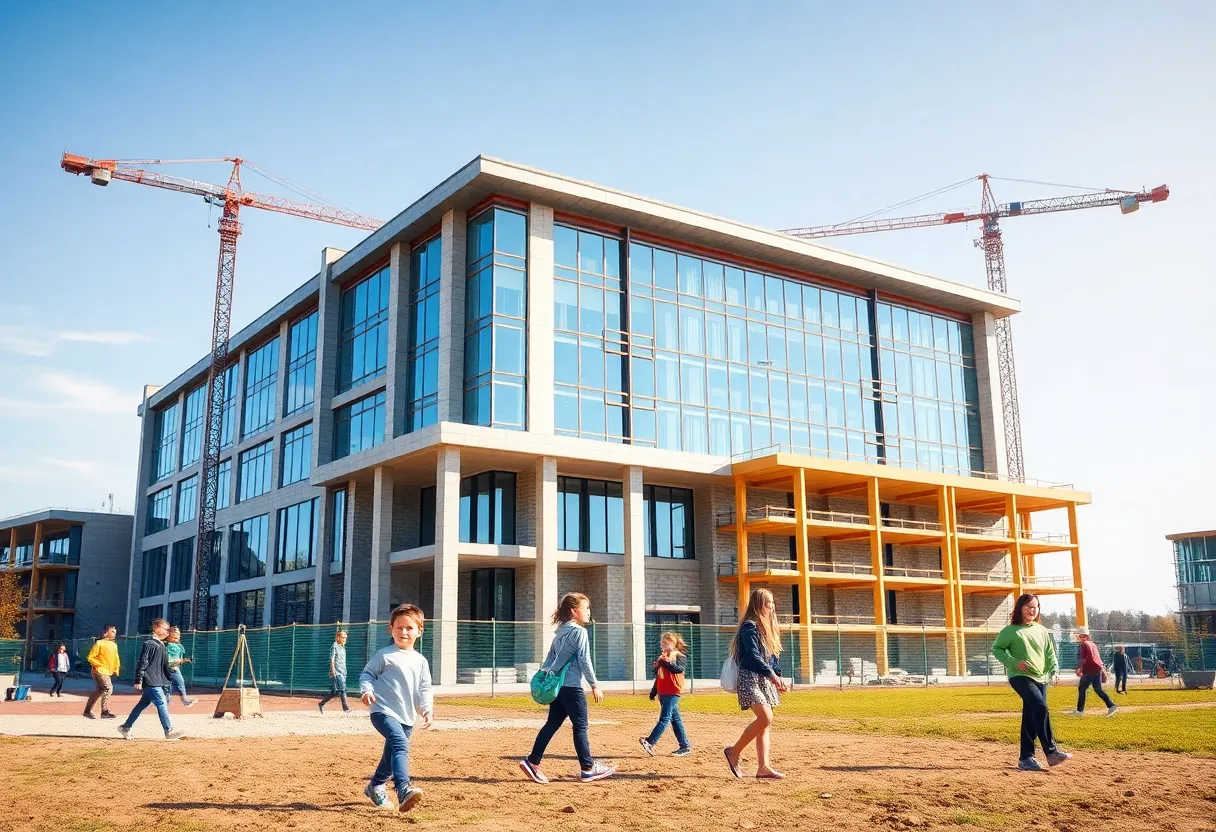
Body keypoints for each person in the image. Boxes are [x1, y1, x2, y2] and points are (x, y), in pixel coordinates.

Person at [519, 592, 617, 784]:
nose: (589, 612)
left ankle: (533, 762)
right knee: (580, 726)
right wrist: (595, 685)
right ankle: (588, 768)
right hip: (572, 687)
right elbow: (584, 660)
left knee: (552, 724)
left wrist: (548, 676)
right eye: (585, 608)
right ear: (574, 611)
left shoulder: (561, 632)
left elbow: (549, 660)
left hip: (557, 688)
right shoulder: (580, 632)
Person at [359, 604, 433, 813]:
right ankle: (403, 789)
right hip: (382, 711)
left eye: (409, 628)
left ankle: (374, 786)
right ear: (391, 629)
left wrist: (427, 709)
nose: (404, 632)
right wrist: (367, 690)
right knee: (400, 744)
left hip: (407, 716)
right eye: (399, 627)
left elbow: (424, 688)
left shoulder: (421, 661)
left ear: (419, 631)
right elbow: (367, 675)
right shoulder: (384, 655)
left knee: (390, 756)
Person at [992, 593, 1071, 771]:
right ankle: (1051, 752)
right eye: (1029, 606)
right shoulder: (1011, 631)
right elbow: (997, 649)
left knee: (1031, 716)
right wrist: (1013, 663)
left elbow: (1050, 653)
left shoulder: (1041, 630)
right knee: (1040, 707)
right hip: (1020, 677)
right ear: (1021, 608)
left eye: (1036, 607)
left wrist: (1054, 670)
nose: (1033, 610)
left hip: (1041, 677)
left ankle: (1026, 758)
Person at [724, 588, 789, 780]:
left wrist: (777, 675)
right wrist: (771, 675)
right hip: (750, 678)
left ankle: (763, 767)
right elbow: (752, 656)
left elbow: (772, 657)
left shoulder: (768, 628)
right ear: (759, 604)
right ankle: (734, 751)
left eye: (772, 602)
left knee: (765, 724)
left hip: (764, 679)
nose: (772, 606)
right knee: (765, 718)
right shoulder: (749, 627)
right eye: (769, 602)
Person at [118, 618, 185, 740]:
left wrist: (168, 677)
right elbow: (143, 662)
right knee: (161, 702)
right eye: (166, 629)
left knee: (142, 704)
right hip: (150, 680)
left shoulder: (161, 645)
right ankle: (168, 731)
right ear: (156, 629)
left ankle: (125, 727)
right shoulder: (149, 644)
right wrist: (138, 679)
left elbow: (162, 665)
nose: (168, 632)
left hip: (158, 680)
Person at [640, 632, 691, 757]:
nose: (662, 645)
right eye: (662, 642)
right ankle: (685, 746)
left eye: (666, 642)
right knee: (675, 720)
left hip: (673, 692)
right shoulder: (662, 657)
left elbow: (678, 669)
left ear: (673, 643)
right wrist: (654, 690)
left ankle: (650, 741)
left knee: (665, 718)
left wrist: (665, 663)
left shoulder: (679, 656)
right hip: (663, 692)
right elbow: (659, 675)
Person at [1067, 628, 1116, 717]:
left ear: (1082, 636)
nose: (1080, 637)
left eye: (1080, 635)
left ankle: (1080, 711)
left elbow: (1084, 659)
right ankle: (1111, 705)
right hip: (1097, 668)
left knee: (1082, 688)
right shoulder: (1092, 644)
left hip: (1090, 670)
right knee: (1097, 689)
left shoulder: (1084, 645)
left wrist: (1080, 668)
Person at [84, 625, 120, 719]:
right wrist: (99, 665)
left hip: (108, 671)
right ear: (105, 633)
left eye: (115, 632)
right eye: (112, 631)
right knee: (108, 689)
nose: (114, 634)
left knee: (99, 691)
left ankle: (87, 711)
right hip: (100, 671)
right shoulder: (99, 643)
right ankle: (104, 712)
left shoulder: (114, 645)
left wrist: (116, 668)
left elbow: (116, 658)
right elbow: (91, 657)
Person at [318, 630, 350, 713]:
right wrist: (333, 671)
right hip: (336, 672)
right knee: (343, 689)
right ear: (338, 637)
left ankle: (321, 704)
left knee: (334, 692)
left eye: (345, 637)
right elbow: (332, 659)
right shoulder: (334, 646)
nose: (344, 639)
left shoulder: (343, 648)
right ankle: (346, 708)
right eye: (342, 637)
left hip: (343, 672)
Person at [165, 626, 196, 707]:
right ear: (170, 634)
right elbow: (170, 659)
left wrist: (186, 660)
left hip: (172, 668)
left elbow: (178, 659)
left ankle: (165, 703)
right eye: (176, 633)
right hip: (172, 668)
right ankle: (185, 701)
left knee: (169, 686)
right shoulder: (168, 645)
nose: (179, 635)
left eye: (179, 634)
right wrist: (177, 661)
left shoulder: (177, 645)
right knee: (180, 683)